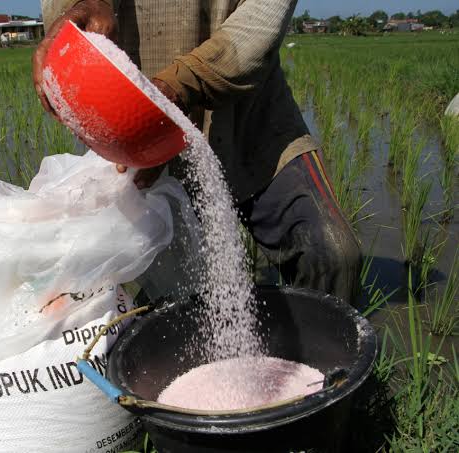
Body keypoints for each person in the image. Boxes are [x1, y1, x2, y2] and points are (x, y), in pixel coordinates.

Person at [33, 0, 361, 303]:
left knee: (333, 255)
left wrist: (176, 90)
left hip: (251, 119)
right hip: (132, 119)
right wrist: (84, 5)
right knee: (180, 297)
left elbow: (261, 18)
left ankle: (320, 360)